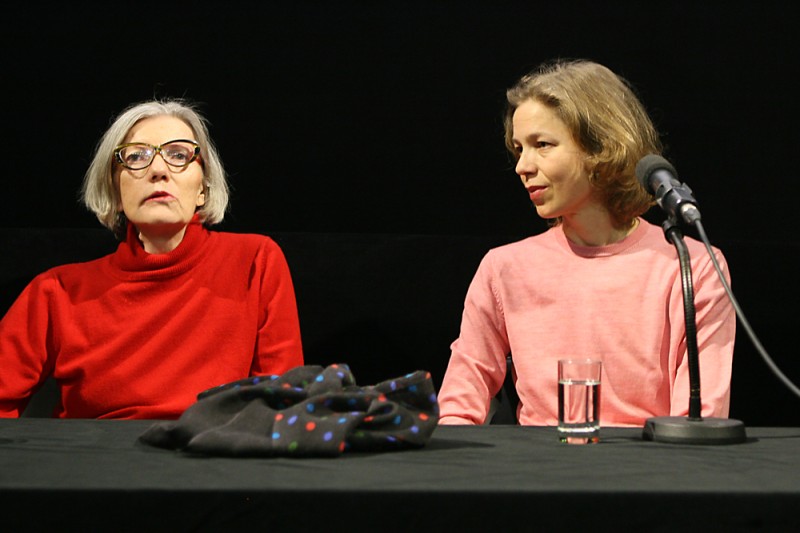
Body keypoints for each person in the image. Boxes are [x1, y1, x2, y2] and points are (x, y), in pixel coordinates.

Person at [437, 59, 735, 426]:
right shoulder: (504, 269)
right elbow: (458, 410)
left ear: (601, 147)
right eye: (519, 149)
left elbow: (700, 422)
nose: (522, 166)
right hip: (535, 475)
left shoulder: (692, 267)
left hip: (651, 476)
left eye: (541, 145)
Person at [0, 99, 304, 419]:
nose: (158, 170)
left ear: (202, 188)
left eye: (178, 154)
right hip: (95, 462)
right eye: (136, 157)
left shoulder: (256, 261)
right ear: (115, 192)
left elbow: (281, 405)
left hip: (212, 458)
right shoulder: (56, 291)